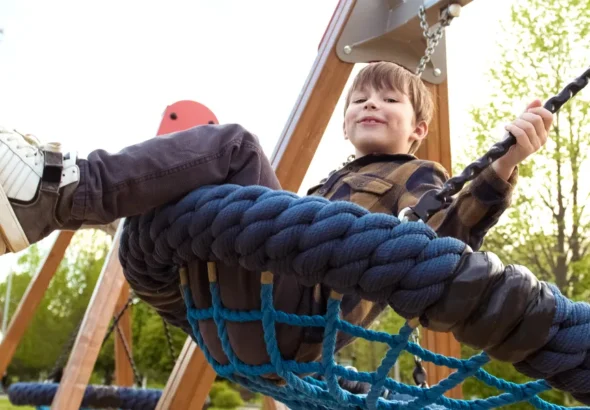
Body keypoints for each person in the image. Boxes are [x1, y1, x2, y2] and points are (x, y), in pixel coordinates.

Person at [0, 62, 552, 368]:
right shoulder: (324, 187)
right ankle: (111, 206)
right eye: (359, 101)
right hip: (233, 327)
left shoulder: (417, 176)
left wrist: (500, 167)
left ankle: (65, 191)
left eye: (388, 101)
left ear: (417, 129)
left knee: (235, 147)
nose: (369, 106)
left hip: (296, 320)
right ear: (344, 125)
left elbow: (442, 242)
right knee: (197, 203)